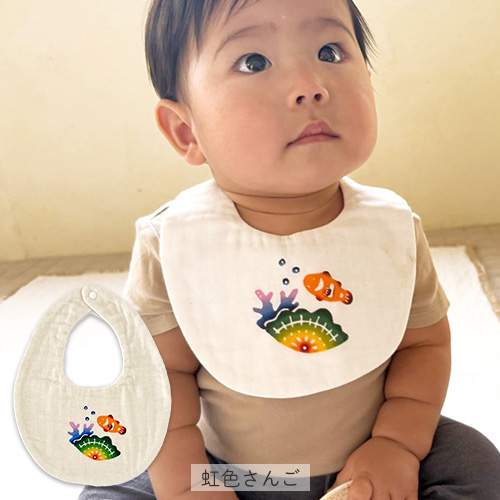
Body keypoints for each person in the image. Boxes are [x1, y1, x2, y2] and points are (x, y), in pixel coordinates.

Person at [79, 0, 500, 499]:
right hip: (226, 472)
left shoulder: (391, 229)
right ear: (187, 131)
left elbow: (423, 347)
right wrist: (192, 487)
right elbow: (161, 380)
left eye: (329, 51)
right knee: (114, 481)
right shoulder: (173, 242)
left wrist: (396, 445)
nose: (309, 85)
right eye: (253, 62)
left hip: (365, 459)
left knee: (476, 463)